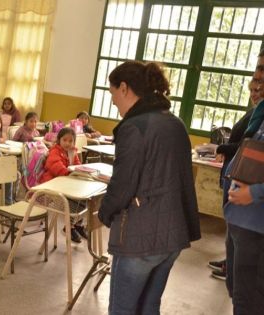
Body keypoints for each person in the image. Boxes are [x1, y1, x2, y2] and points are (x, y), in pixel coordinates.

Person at [98, 61, 200, 315]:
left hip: (140, 238)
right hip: (173, 235)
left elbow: (122, 185)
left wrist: (104, 212)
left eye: (112, 94)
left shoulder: (134, 127)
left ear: (124, 88)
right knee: (149, 307)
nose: (112, 102)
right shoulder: (174, 122)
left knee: (122, 309)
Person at [209, 78, 263, 283]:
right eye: (253, 88)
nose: (255, 92)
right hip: (237, 183)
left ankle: (230, 266)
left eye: (259, 88)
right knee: (233, 234)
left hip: (251, 202)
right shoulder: (254, 113)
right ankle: (229, 263)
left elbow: (244, 148)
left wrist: (220, 149)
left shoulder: (258, 116)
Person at [223, 49, 264, 315]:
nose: (257, 78)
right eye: (258, 69)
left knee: (251, 302)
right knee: (238, 293)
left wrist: (257, 192)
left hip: (257, 226)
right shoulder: (259, 114)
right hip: (239, 220)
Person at [38, 127, 84, 242]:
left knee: (84, 198)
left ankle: (77, 224)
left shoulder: (72, 152)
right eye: (65, 140)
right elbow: (56, 167)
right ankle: (69, 227)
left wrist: (78, 172)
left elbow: (77, 165)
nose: (67, 143)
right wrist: (70, 172)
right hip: (52, 184)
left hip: (65, 182)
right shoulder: (55, 151)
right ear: (59, 140)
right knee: (73, 199)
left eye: (70, 141)